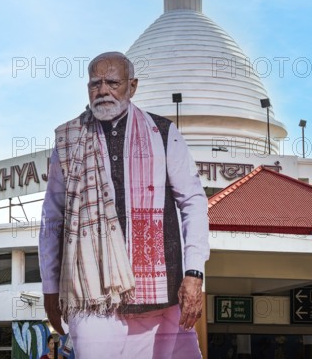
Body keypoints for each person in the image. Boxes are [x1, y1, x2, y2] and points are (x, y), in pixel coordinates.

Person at [39, 51, 209, 358]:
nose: (102, 90)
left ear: (132, 86)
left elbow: (193, 202)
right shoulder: (69, 139)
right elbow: (52, 218)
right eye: (95, 83)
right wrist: (50, 287)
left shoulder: (163, 132)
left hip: (163, 293)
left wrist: (194, 273)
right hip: (92, 295)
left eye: (112, 82)